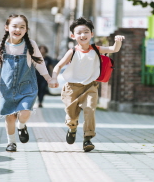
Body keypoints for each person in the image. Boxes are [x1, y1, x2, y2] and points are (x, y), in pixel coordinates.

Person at [49, 17, 125, 152]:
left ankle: (87, 139)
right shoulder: (72, 52)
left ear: (92, 34)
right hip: (72, 88)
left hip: (91, 86)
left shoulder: (96, 49)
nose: (83, 35)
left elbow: (114, 49)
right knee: (71, 116)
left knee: (90, 109)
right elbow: (58, 66)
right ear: (73, 36)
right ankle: (72, 129)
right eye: (79, 33)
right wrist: (54, 78)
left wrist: (117, 41)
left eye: (86, 32)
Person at [0, 14, 52, 152]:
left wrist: (48, 78)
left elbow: (39, 62)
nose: (18, 29)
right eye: (14, 26)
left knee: (24, 113)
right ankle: (11, 143)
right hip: (7, 87)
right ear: (7, 27)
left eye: (22, 27)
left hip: (27, 86)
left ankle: (22, 125)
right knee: (10, 116)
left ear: (26, 29)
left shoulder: (30, 44)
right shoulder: (2, 46)